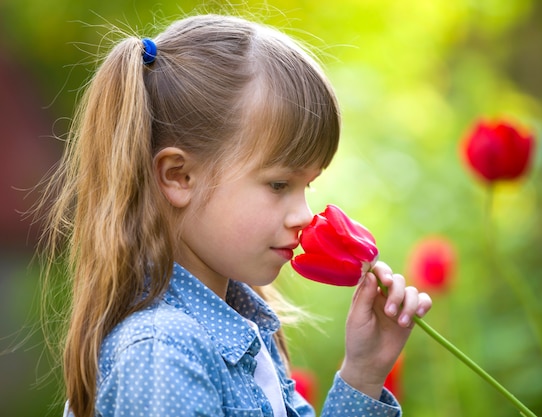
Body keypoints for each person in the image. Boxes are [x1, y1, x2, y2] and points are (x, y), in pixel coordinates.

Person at [37, 13, 433, 417]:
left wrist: (363, 373)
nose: (305, 216)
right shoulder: (163, 355)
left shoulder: (238, 328)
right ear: (179, 176)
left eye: (307, 186)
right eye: (279, 185)